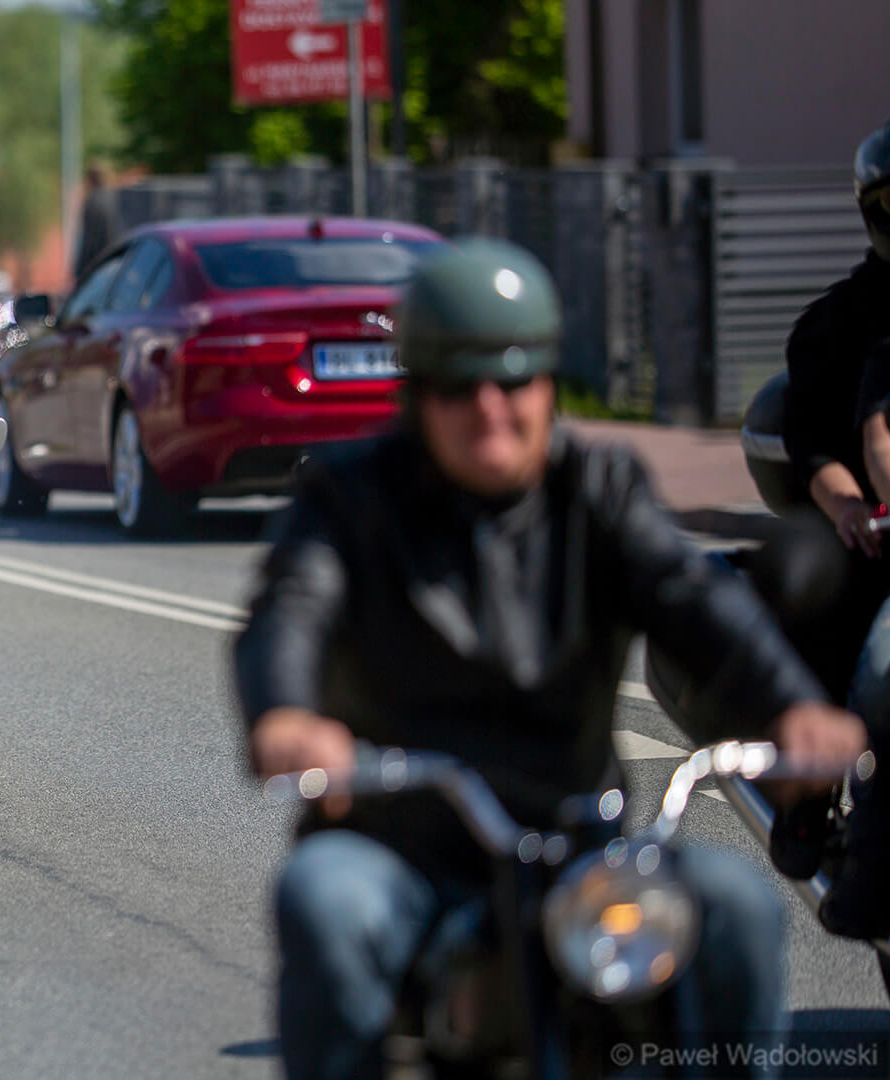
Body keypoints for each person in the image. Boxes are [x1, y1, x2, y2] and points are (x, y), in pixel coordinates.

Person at [234, 238, 866, 1080]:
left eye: (516, 378)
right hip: (405, 843)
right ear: (419, 395)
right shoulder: (351, 498)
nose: (491, 407)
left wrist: (792, 707)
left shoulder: (598, 489)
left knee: (736, 905)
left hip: (581, 842)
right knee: (327, 905)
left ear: (546, 386)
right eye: (461, 385)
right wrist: (287, 714)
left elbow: (696, 602)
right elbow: (290, 607)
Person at [765, 119, 890, 938]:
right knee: (839, 622)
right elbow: (847, 437)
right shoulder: (844, 323)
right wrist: (849, 505)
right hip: (868, 530)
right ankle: (818, 806)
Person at [71, 161, 119, 286]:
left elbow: (88, 239)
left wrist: (79, 270)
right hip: (114, 260)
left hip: (95, 264)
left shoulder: (92, 202)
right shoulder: (113, 199)